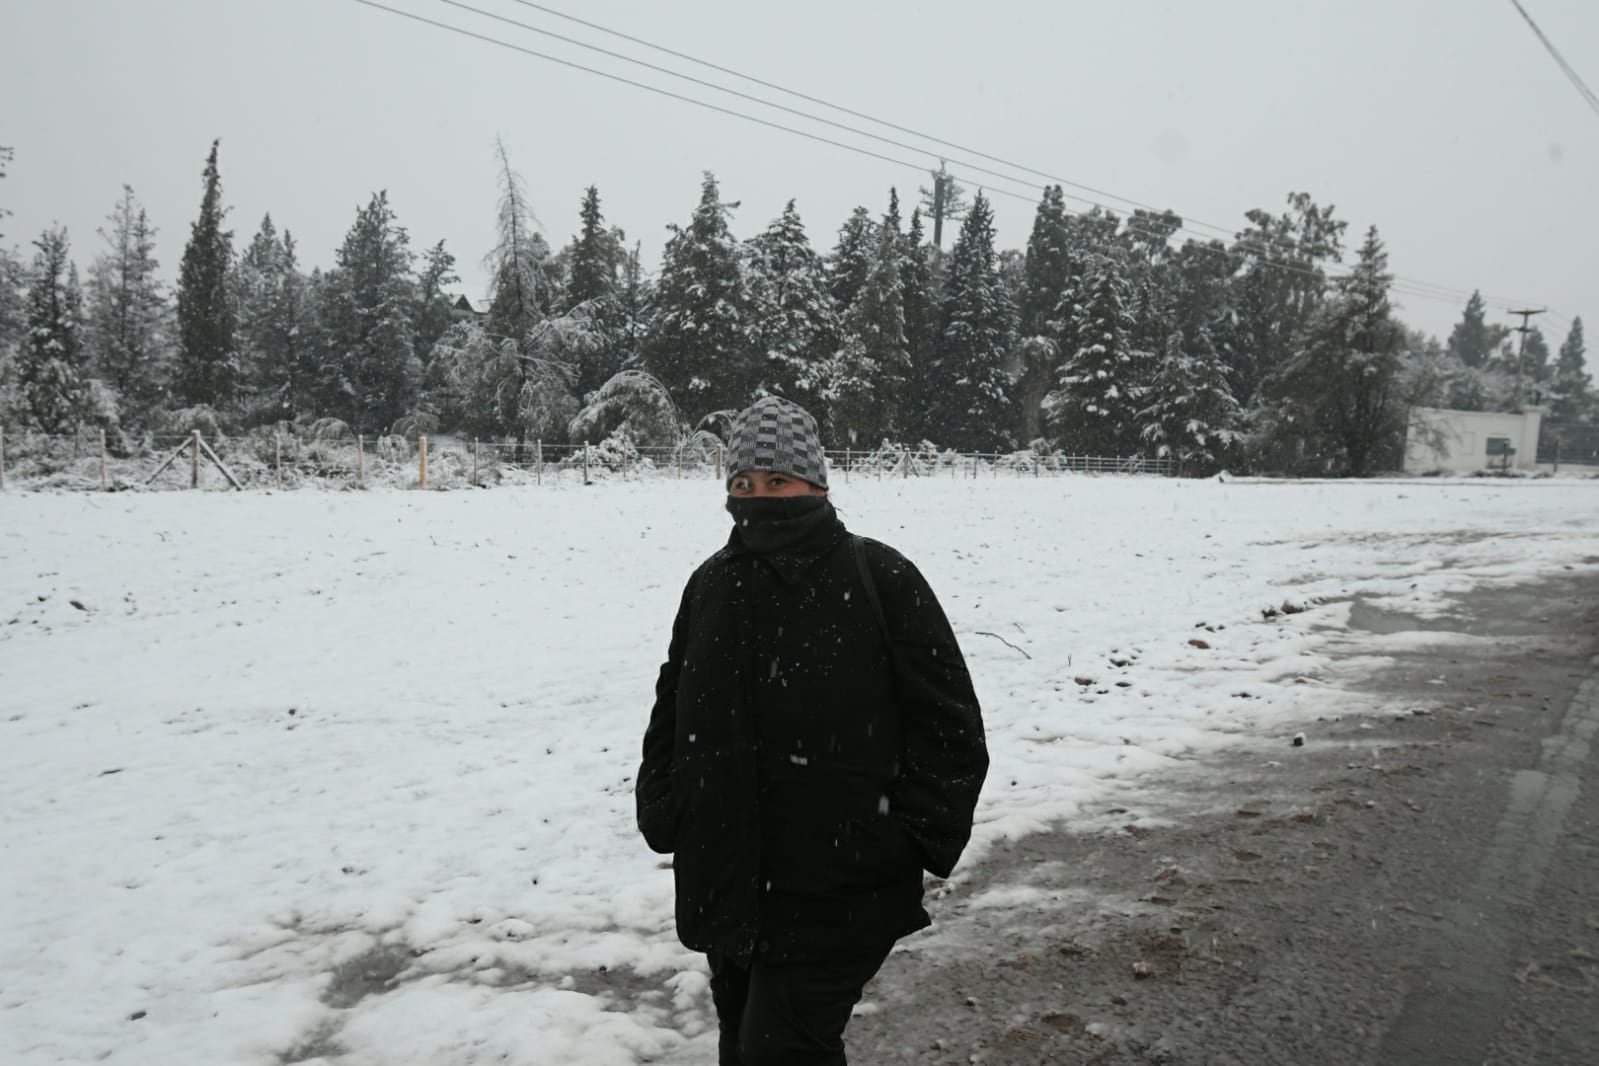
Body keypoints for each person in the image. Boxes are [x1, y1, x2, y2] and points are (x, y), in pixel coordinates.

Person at [635, 396, 988, 1066]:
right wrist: (662, 804)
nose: (757, 498)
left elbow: (950, 727)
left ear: (816, 485)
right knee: (742, 1042)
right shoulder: (710, 584)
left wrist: (903, 839)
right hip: (726, 873)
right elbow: (671, 703)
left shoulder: (881, 577)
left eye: (775, 483)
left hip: (839, 885)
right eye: (742, 484)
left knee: (781, 1049)